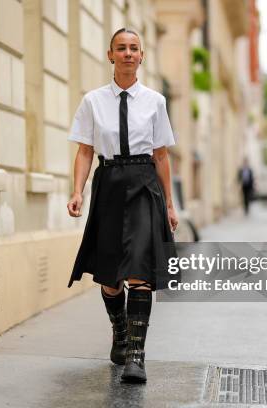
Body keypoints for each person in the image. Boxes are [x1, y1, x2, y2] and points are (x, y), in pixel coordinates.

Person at [65, 28, 178, 383]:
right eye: (121, 48)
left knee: (140, 271)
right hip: (110, 183)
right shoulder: (93, 101)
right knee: (111, 278)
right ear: (110, 55)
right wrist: (78, 192)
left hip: (144, 184)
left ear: (142, 57)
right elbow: (84, 150)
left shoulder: (156, 102)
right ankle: (119, 329)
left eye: (134, 48)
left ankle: (136, 356)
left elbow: (161, 156)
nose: (128, 53)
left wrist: (170, 205)